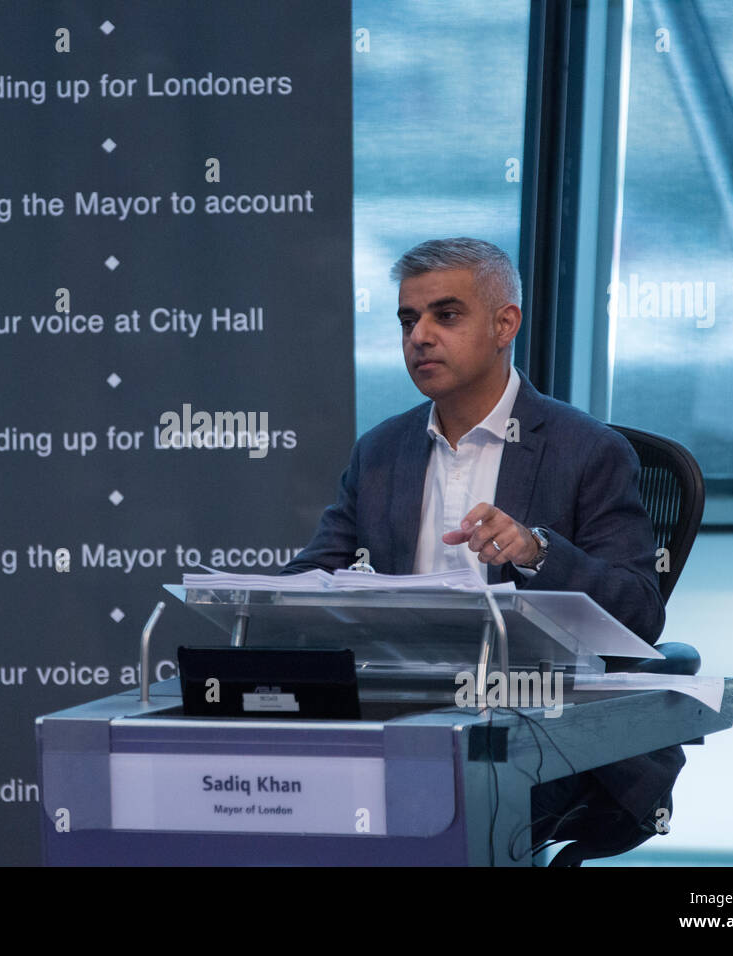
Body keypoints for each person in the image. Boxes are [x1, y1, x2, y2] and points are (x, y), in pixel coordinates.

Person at [281, 236, 682, 865]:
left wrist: (537, 551)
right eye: (408, 320)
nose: (420, 337)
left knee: (430, 813)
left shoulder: (588, 451)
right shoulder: (381, 452)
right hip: (397, 712)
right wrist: (257, 595)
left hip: (534, 722)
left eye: (446, 315)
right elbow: (317, 573)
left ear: (505, 324)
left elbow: (638, 613)